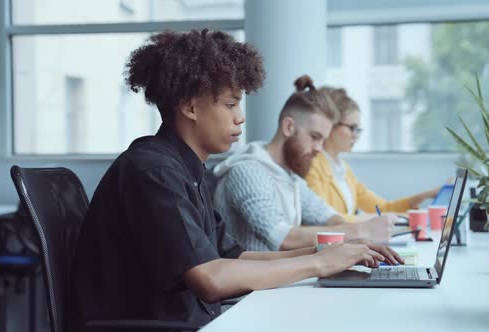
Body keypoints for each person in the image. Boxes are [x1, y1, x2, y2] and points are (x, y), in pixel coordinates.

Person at [70, 30, 396, 331]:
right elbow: (210, 278)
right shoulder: (153, 172)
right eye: (230, 104)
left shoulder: (185, 170)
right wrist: (319, 264)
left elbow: (233, 258)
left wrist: (329, 252)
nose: (240, 116)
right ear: (189, 106)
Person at [213, 75, 402, 254]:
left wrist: (350, 228)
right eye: (314, 137)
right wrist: (361, 231)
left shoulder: (290, 176)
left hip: (278, 281)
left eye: (322, 140)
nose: (319, 148)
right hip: (253, 287)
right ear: (289, 127)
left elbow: (330, 217)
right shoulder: (248, 171)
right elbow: (283, 238)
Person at [305, 87, 440, 221]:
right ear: (330, 125)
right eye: (352, 128)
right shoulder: (312, 166)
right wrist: (377, 219)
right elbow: (325, 219)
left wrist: (424, 196)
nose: (356, 135)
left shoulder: (342, 169)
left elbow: (383, 208)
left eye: (358, 129)